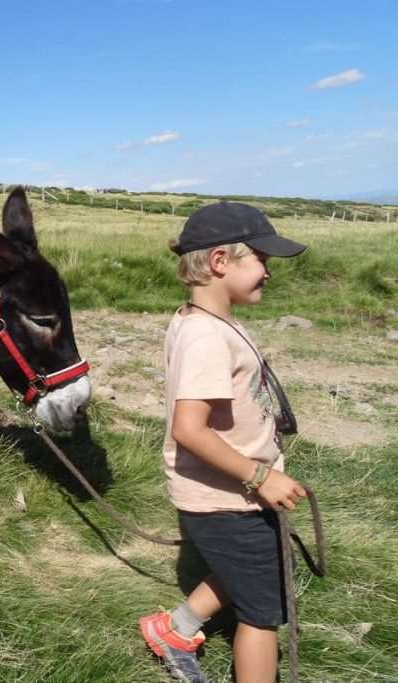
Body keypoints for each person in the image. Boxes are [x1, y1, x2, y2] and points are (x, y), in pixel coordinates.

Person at [139, 202, 308, 683]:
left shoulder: (208, 323)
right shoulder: (206, 337)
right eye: (262, 260)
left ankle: (175, 629)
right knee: (263, 611)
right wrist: (260, 475)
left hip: (234, 489)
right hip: (224, 496)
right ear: (219, 262)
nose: (269, 274)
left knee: (256, 568)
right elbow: (189, 430)